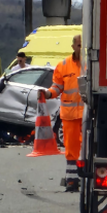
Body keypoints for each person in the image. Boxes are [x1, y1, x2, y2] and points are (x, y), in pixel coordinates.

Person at [42, 35, 83, 192]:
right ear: (73, 46)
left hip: (87, 115)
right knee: (71, 148)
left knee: (88, 147)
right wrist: (47, 94)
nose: (80, 48)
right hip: (70, 115)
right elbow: (57, 87)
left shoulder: (91, 64)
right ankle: (72, 180)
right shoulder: (63, 65)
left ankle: (84, 178)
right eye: (78, 45)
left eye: (82, 45)